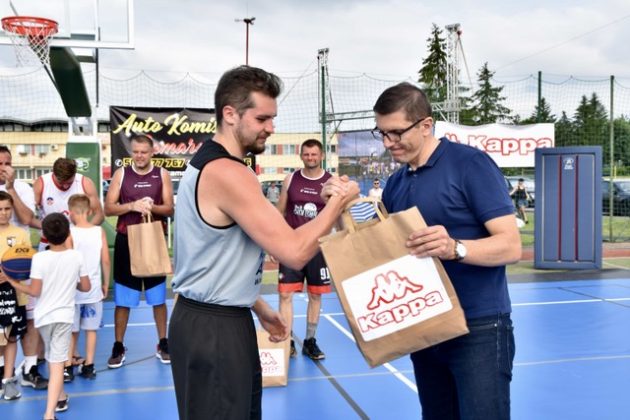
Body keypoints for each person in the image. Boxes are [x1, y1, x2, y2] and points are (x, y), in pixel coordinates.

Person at [169, 65, 359, 420]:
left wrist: (258, 306)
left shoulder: (204, 163)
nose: (271, 127)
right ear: (230, 114)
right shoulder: (229, 173)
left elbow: (213, 258)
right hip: (215, 330)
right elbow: (294, 251)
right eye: (263, 118)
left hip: (212, 319)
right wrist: (338, 201)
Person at [328, 82, 521, 419]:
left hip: (478, 327)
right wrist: (341, 205)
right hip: (427, 327)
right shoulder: (398, 182)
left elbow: (510, 244)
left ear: (426, 125)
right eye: (382, 133)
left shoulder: (470, 165)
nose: (388, 143)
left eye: (396, 133)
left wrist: (455, 247)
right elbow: (379, 249)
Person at [3, 213, 90, 419]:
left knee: (54, 359)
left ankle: (60, 396)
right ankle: (49, 413)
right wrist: (72, 282)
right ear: (68, 232)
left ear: (44, 236)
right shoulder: (76, 256)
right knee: (57, 362)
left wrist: (10, 280)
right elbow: (86, 287)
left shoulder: (39, 258)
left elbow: (34, 291)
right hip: (63, 317)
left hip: (44, 318)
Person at [104, 134, 174, 368]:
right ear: (131, 152)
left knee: (158, 297)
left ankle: (163, 342)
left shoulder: (161, 174)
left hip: (153, 238)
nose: (140, 156)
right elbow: (109, 208)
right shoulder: (121, 174)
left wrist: (151, 207)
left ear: (152, 152)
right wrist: (132, 206)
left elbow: (170, 209)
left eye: (144, 151)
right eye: (136, 151)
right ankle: (118, 345)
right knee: (123, 299)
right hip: (126, 240)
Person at [275, 138, 332, 360]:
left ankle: (309, 341)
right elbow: (279, 212)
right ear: (301, 156)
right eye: (306, 154)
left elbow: (335, 216)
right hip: (291, 246)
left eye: (314, 154)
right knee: (285, 294)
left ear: (322, 156)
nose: (310, 158)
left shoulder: (330, 182)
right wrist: (276, 242)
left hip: (318, 248)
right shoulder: (291, 179)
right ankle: (287, 339)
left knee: (315, 296)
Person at [0, 146, 47, 391]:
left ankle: (30, 368)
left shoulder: (22, 188)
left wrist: (10, 189)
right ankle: (3, 371)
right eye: (0, 163)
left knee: (30, 318)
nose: (4, 167)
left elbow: (28, 218)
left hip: (22, 264)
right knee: (1, 322)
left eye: (7, 162)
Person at [65, 194, 110, 381]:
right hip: (93, 289)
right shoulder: (99, 231)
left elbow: (67, 260)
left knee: (71, 331)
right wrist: (106, 283)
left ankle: (67, 367)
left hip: (74, 291)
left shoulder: (70, 232)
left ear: (70, 212)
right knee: (91, 330)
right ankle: (89, 365)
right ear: (90, 211)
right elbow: (106, 260)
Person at [32, 157, 104, 250]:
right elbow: (28, 217)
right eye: (61, 182)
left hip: (77, 240)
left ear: (74, 174)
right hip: (49, 241)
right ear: (54, 173)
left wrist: (83, 232)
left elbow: (100, 215)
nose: (65, 186)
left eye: (69, 182)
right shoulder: (42, 183)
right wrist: (50, 229)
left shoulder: (85, 183)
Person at [0, 191, 30, 400]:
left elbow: (27, 265)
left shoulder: (20, 234)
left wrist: (10, 275)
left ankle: (8, 380)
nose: (3, 213)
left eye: (7, 209)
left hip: (14, 294)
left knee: (10, 338)